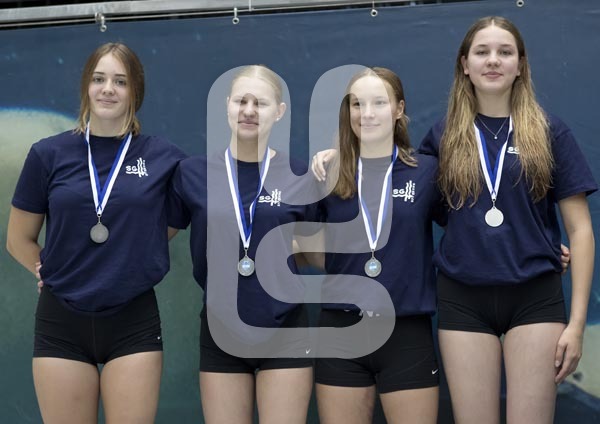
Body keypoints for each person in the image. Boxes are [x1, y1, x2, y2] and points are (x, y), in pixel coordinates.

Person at [418, 16, 596, 424]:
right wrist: (337, 157)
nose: (493, 60)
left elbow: (582, 230)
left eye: (505, 52)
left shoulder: (550, 132)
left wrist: (576, 324)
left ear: (521, 65)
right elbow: (408, 198)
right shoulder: (443, 137)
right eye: (482, 52)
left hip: (534, 296)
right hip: (463, 298)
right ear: (465, 64)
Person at [6, 42, 186, 423]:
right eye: (99, 79)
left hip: (132, 320)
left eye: (120, 81)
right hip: (61, 321)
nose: (108, 89)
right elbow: (18, 239)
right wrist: (45, 267)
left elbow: (174, 219)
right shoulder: (48, 154)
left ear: (135, 91)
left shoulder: (163, 158)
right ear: (86, 86)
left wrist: (134, 251)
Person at [167, 65, 314, 424]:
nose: (249, 110)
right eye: (241, 101)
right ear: (227, 106)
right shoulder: (193, 173)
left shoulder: (301, 175)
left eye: (260, 103)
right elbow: (147, 239)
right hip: (221, 329)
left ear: (279, 112)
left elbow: (316, 253)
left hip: (285, 327)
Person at [311, 67, 443, 424]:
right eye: (357, 104)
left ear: (399, 109)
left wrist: (540, 245)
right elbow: (295, 238)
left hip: (406, 329)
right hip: (341, 330)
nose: (366, 113)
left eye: (379, 103)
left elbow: (469, 226)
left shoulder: (426, 170)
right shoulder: (328, 173)